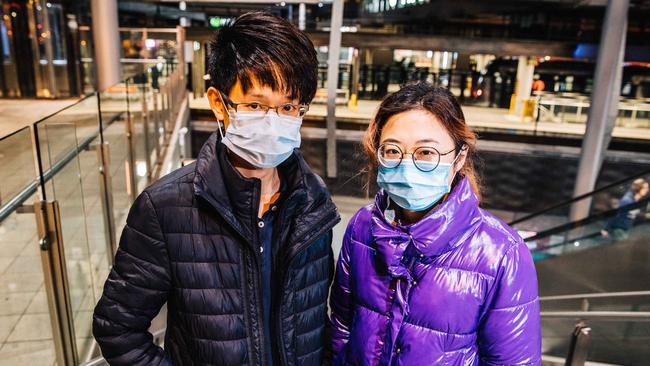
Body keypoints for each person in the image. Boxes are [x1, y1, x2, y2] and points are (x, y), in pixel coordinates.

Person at [93, 12, 340, 366]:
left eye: (288, 106)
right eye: (256, 105)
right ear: (218, 103)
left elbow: (315, 324)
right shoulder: (166, 207)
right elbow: (117, 327)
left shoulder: (313, 203)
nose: (274, 121)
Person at [329, 82, 541, 365]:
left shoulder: (501, 253)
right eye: (392, 150)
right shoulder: (362, 228)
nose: (406, 165)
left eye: (426, 153)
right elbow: (342, 325)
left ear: (459, 157)